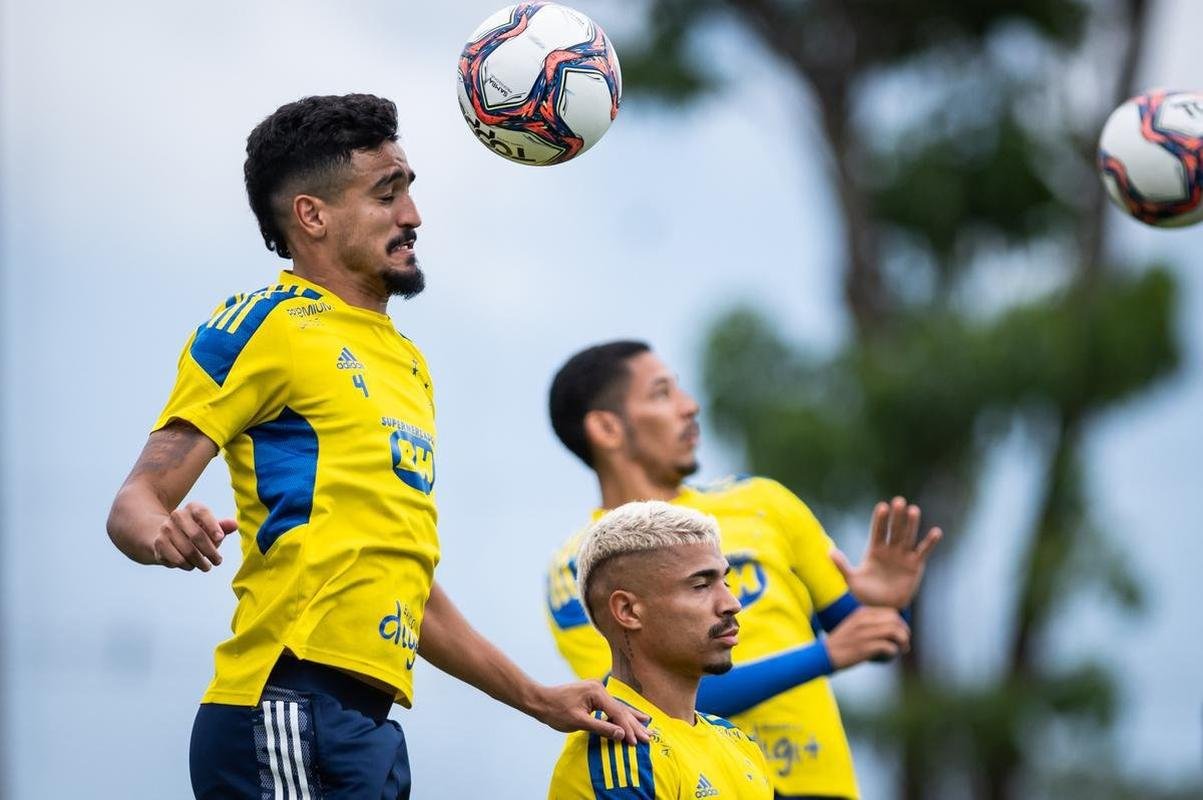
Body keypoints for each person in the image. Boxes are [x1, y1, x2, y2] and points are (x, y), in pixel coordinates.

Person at [106, 94, 645, 800]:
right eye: (387, 195)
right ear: (312, 216)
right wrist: (163, 531)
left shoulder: (408, 362)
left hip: (365, 727)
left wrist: (536, 698)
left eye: (409, 191)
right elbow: (135, 502)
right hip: (285, 704)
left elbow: (408, 589)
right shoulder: (264, 325)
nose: (412, 215)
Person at [544, 341, 942, 800]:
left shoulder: (764, 502)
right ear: (606, 427)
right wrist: (824, 656)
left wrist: (886, 604)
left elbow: (875, 638)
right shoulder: (583, 566)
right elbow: (636, 701)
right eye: (661, 393)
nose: (689, 406)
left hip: (819, 787)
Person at [548, 500, 775, 799]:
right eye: (701, 585)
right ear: (628, 611)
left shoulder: (738, 743)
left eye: (726, 582)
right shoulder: (619, 752)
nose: (732, 604)